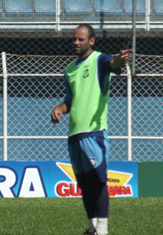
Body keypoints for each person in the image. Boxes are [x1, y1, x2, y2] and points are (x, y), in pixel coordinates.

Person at [51, 24, 132, 235]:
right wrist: (59, 108)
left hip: (94, 133)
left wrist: (120, 60)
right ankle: (91, 228)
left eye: (81, 39)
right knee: (85, 185)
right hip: (74, 135)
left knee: (98, 181)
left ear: (91, 41)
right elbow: (70, 101)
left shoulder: (99, 59)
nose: (76, 43)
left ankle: (103, 231)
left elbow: (113, 64)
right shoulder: (69, 70)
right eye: (74, 39)